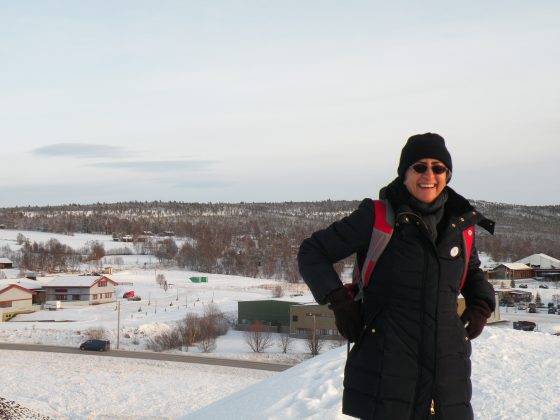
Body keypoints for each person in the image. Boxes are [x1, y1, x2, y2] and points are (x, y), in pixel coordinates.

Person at [297, 133, 496, 420]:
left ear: (447, 175)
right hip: (388, 372)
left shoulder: (460, 224)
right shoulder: (377, 217)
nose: (429, 175)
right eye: (420, 167)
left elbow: (473, 272)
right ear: (405, 173)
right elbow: (312, 252)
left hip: (447, 374)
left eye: (438, 168)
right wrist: (340, 302)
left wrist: (481, 305)